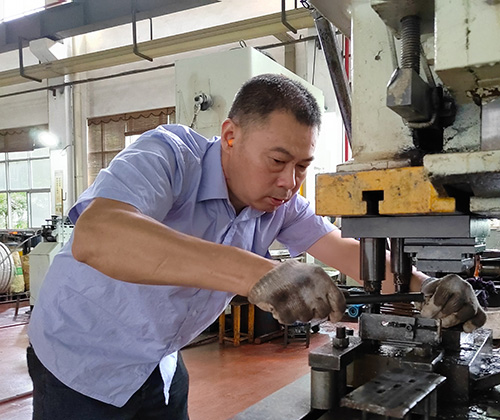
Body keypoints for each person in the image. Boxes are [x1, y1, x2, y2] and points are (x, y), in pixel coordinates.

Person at [27, 73, 485, 419]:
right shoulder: (168, 156)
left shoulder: (280, 204)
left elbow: (344, 250)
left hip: (160, 364)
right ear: (230, 136)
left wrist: (429, 289)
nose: (289, 182)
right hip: (80, 364)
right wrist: (258, 274)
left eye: (302, 166)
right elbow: (99, 235)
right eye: (278, 160)